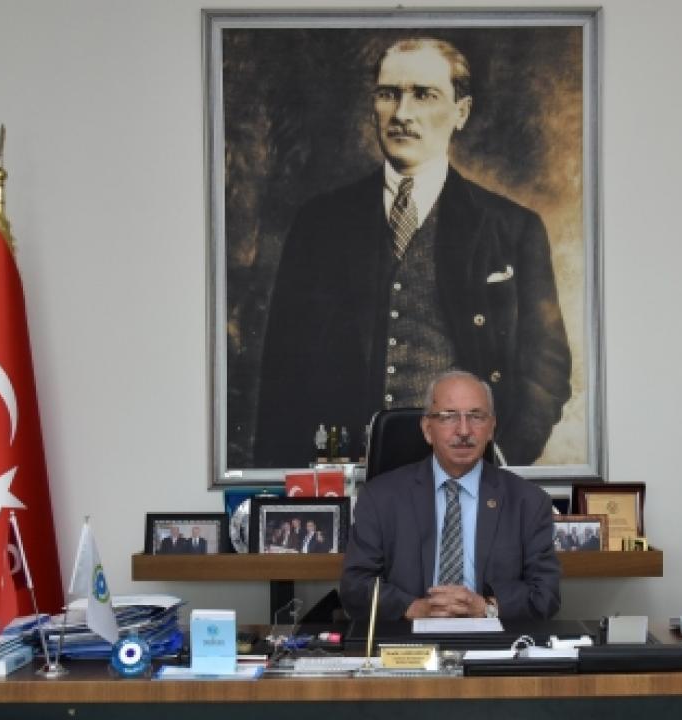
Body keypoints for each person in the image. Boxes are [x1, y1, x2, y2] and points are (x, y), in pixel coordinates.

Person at [255, 37, 572, 469]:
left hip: (466, 474)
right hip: (349, 476)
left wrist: (499, 457)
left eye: (424, 95)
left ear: (461, 112)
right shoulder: (319, 223)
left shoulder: (513, 228)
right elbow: (281, 375)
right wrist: (287, 486)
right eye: (388, 94)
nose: (402, 113)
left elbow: (545, 368)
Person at [340, 370, 561, 620]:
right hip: (408, 637)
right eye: (449, 417)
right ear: (427, 429)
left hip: (492, 638)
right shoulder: (379, 497)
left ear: (491, 428)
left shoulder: (528, 502)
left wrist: (485, 608)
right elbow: (355, 586)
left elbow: (546, 595)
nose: (464, 430)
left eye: (476, 416)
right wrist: (415, 608)